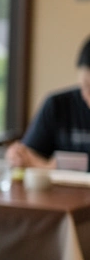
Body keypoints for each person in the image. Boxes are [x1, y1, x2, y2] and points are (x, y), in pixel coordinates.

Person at [6, 34, 90, 170]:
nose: (86, 95)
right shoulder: (58, 105)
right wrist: (17, 156)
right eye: (85, 86)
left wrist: (45, 166)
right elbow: (28, 154)